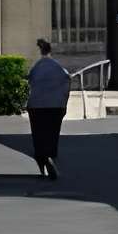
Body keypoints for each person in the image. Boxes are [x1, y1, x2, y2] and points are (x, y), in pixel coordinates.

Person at [26, 38, 71, 181]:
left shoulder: (36, 67)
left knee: (38, 136)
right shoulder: (58, 68)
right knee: (52, 134)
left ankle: (42, 165)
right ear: (51, 51)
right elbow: (67, 83)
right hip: (55, 105)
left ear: (40, 51)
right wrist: (64, 104)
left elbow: (30, 82)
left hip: (37, 106)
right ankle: (50, 156)